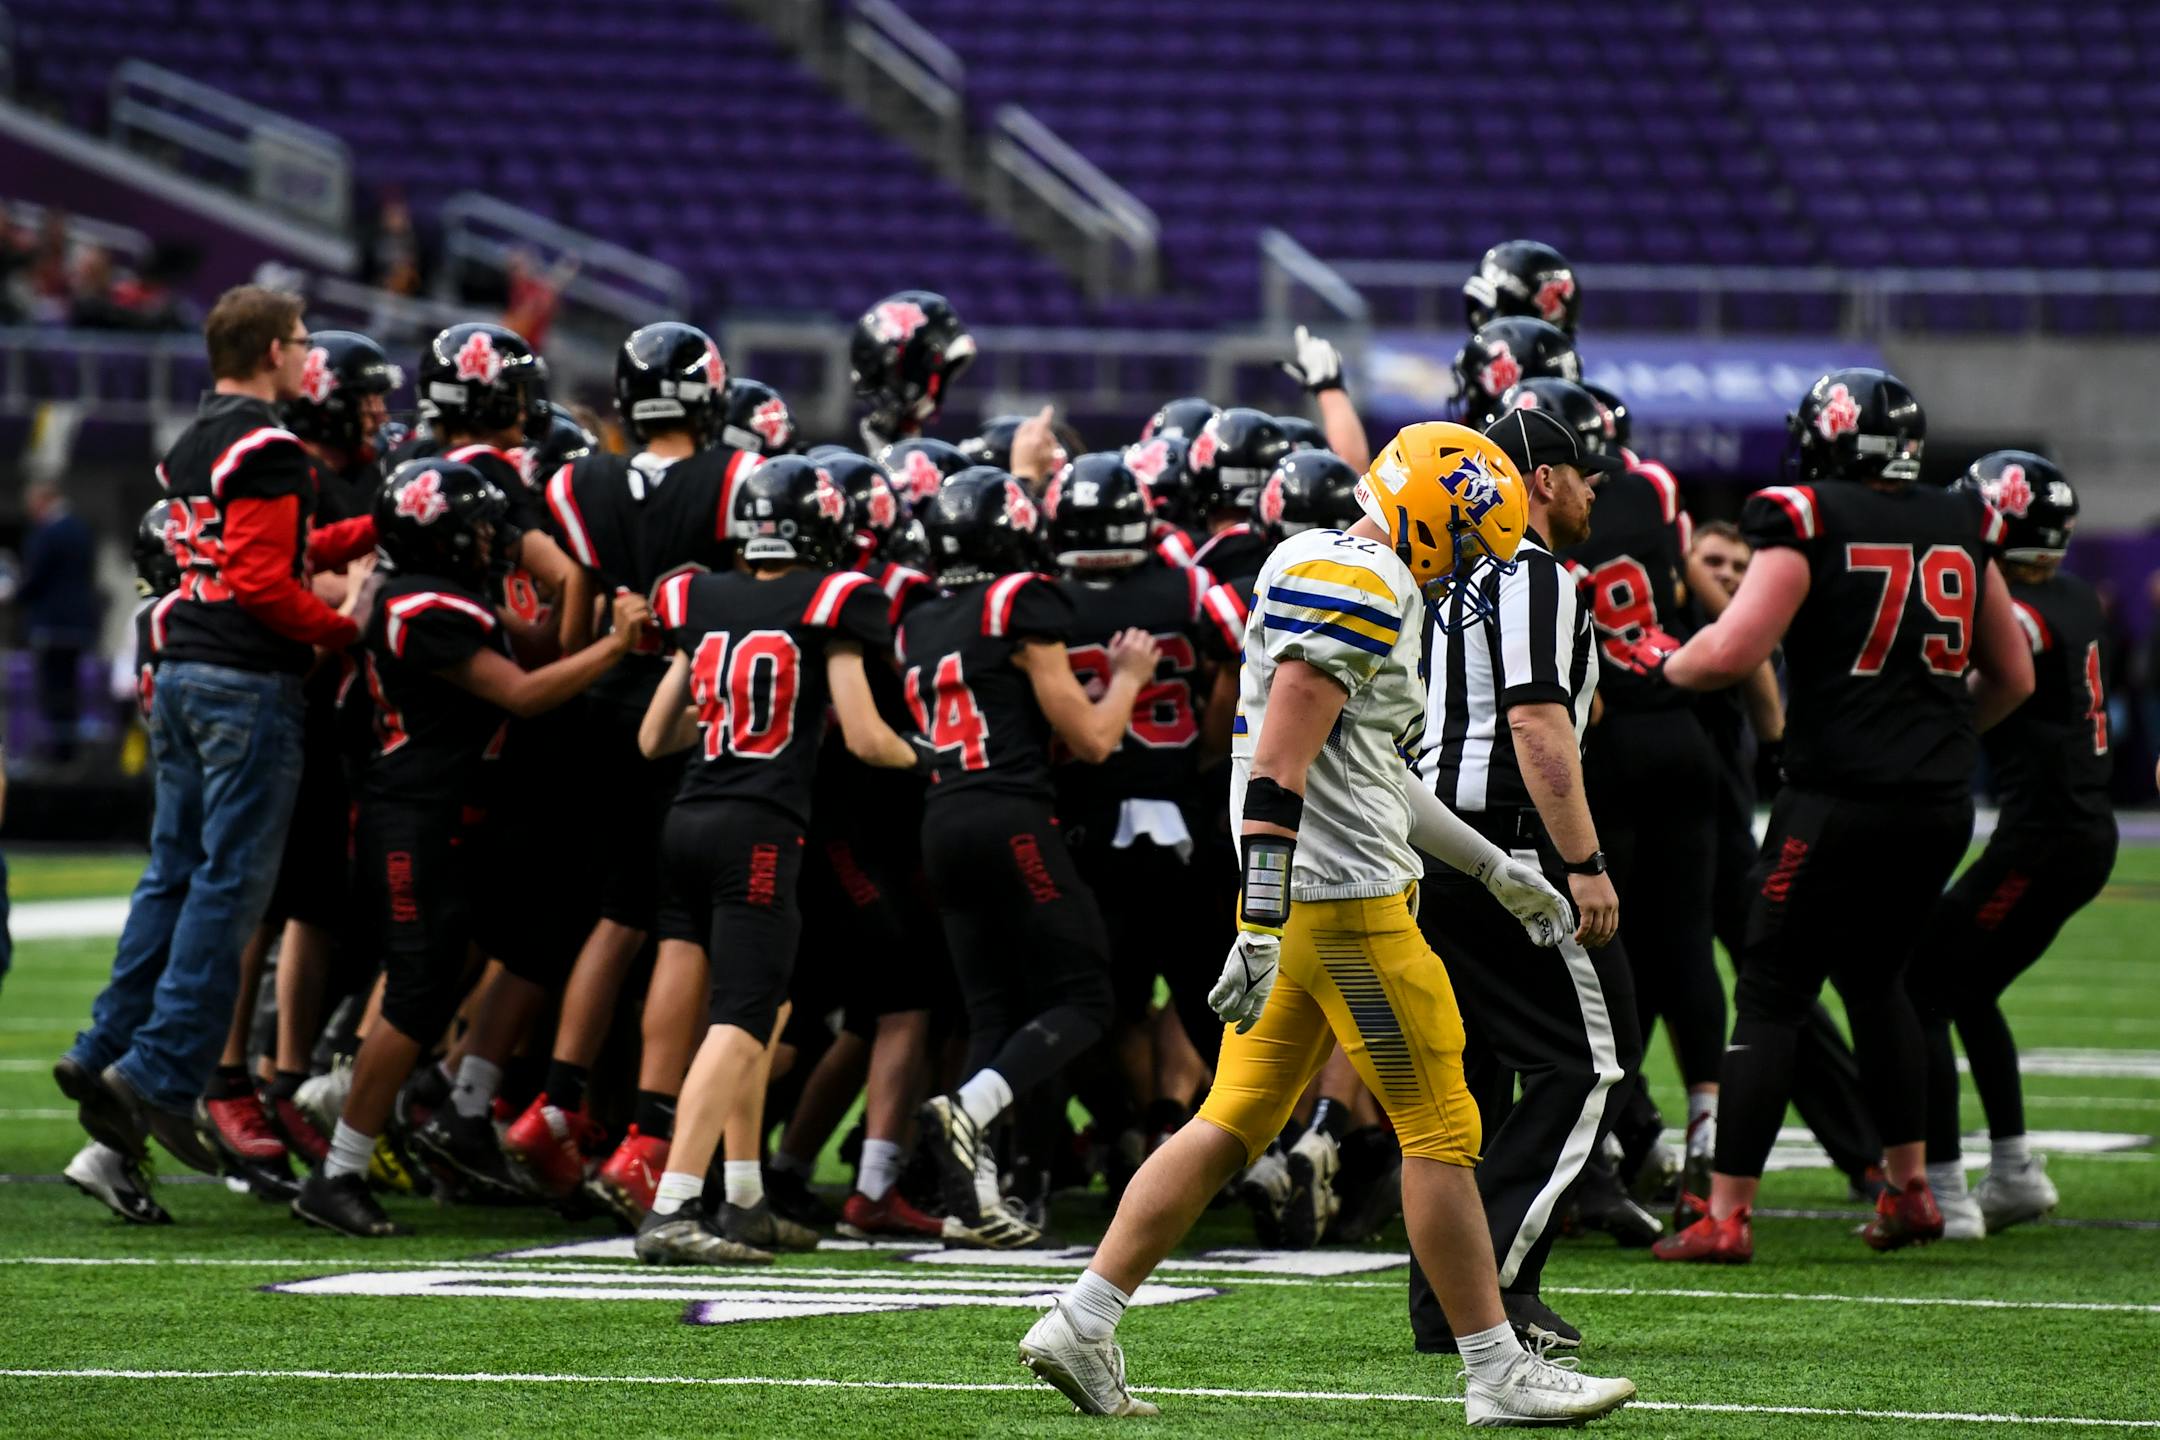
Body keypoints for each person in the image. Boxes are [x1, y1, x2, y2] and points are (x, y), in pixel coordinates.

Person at [1018, 421, 1634, 1427]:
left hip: (1312, 899)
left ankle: (1084, 1319)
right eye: (1472, 538)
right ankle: (1495, 1369)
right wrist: (1258, 925)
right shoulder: (1369, 581)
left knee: (1235, 1121)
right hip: (1346, 910)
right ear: (1437, 520)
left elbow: (1372, 768)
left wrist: (1493, 870)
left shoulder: (1320, 557)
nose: (1474, 563)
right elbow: (1278, 766)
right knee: (1441, 1126)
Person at [1641, 369, 2035, 1262]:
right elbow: (2012, 675)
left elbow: (1733, 650)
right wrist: (1934, 741)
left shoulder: (1808, 514)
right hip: (1936, 806)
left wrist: (1649, 673)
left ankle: (1726, 1214)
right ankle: (1913, 1191)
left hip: (1837, 799)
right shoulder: (1959, 519)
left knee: (1774, 991)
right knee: (1879, 980)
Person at [56, 286, 373, 1190]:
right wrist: (345, 627)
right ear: (274, 349)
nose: (311, 356)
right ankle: (157, 1071)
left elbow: (278, 543)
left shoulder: (195, 438)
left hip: (184, 670)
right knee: (230, 885)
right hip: (244, 678)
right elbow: (269, 581)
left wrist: (379, 527)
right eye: (303, 341)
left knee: (172, 871)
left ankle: (102, 1043)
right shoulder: (270, 444)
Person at [291, 460, 650, 1237]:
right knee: (419, 987)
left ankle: (446, 1102)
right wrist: (617, 649)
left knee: (530, 937)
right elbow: (523, 692)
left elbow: (542, 644)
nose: (495, 539)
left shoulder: (433, 593)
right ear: (444, 534)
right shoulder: (419, 607)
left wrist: (587, 586)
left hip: (456, 816)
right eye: (482, 527)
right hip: (413, 816)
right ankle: (339, 1167)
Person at [628, 455, 920, 1264]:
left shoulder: (697, 595)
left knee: (770, 1011)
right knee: (744, 1014)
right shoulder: (834, 598)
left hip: (688, 817)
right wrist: (931, 758)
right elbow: (863, 737)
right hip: (757, 828)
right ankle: (677, 1202)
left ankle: (746, 1195)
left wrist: (733, 725)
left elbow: (656, 736)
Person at [501, 321, 764, 1202]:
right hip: (688, 710)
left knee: (615, 918)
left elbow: (576, 627)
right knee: (682, 928)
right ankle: (651, 1132)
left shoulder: (581, 479)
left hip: (601, 708)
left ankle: (559, 1102)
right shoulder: (735, 479)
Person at [1406, 406, 1640, 1353]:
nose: (1592, 493)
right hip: (1513, 851)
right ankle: (1489, 1294)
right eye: (1586, 475)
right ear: (1541, 479)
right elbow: (1537, 724)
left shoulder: (1438, 575)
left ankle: (1445, 1305)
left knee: (1485, 1072)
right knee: (1592, 1061)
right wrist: (1582, 863)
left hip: (1432, 841)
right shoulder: (1535, 576)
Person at [902, 467, 1159, 1249]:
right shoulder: (1016, 599)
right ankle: (971, 1111)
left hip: (941, 818)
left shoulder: (919, 614)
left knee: (992, 1013)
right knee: (1086, 997)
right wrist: (1127, 679)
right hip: (1010, 814)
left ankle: (969, 1199)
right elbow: (1092, 737)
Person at [1909, 453, 2116, 1238]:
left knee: (1922, 985)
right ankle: (2015, 1168)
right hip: (2073, 829)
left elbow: (1999, 675)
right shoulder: (2074, 595)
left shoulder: (2022, 610)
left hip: (2045, 837)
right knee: (1965, 987)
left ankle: (1946, 1188)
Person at [1688, 520, 1885, 1205]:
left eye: (1741, 566)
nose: (1728, 575)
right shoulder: (1665, 612)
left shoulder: (1737, 634)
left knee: (1776, 993)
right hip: (1653, 844)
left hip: (1725, 841)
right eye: (1711, 561)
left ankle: (1865, 1152)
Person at [17, 480, 98, 764]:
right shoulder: (82, 530)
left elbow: (35, 579)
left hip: (51, 623)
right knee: (70, 690)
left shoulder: (46, 534)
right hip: (78, 624)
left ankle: (57, 755)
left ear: (41, 500)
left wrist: (15, 593)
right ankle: (68, 752)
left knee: (53, 691)